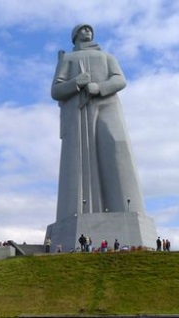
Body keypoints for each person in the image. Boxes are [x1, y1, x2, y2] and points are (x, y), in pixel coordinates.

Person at [51, 24, 146, 219]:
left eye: (89, 29)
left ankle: (126, 207)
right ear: (75, 36)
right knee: (80, 157)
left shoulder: (107, 57)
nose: (88, 32)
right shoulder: (67, 59)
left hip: (107, 105)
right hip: (79, 111)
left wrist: (99, 87)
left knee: (117, 146)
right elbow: (56, 90)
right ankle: (79, 210)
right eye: (83, 30)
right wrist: (76, 82)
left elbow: (120, 80)